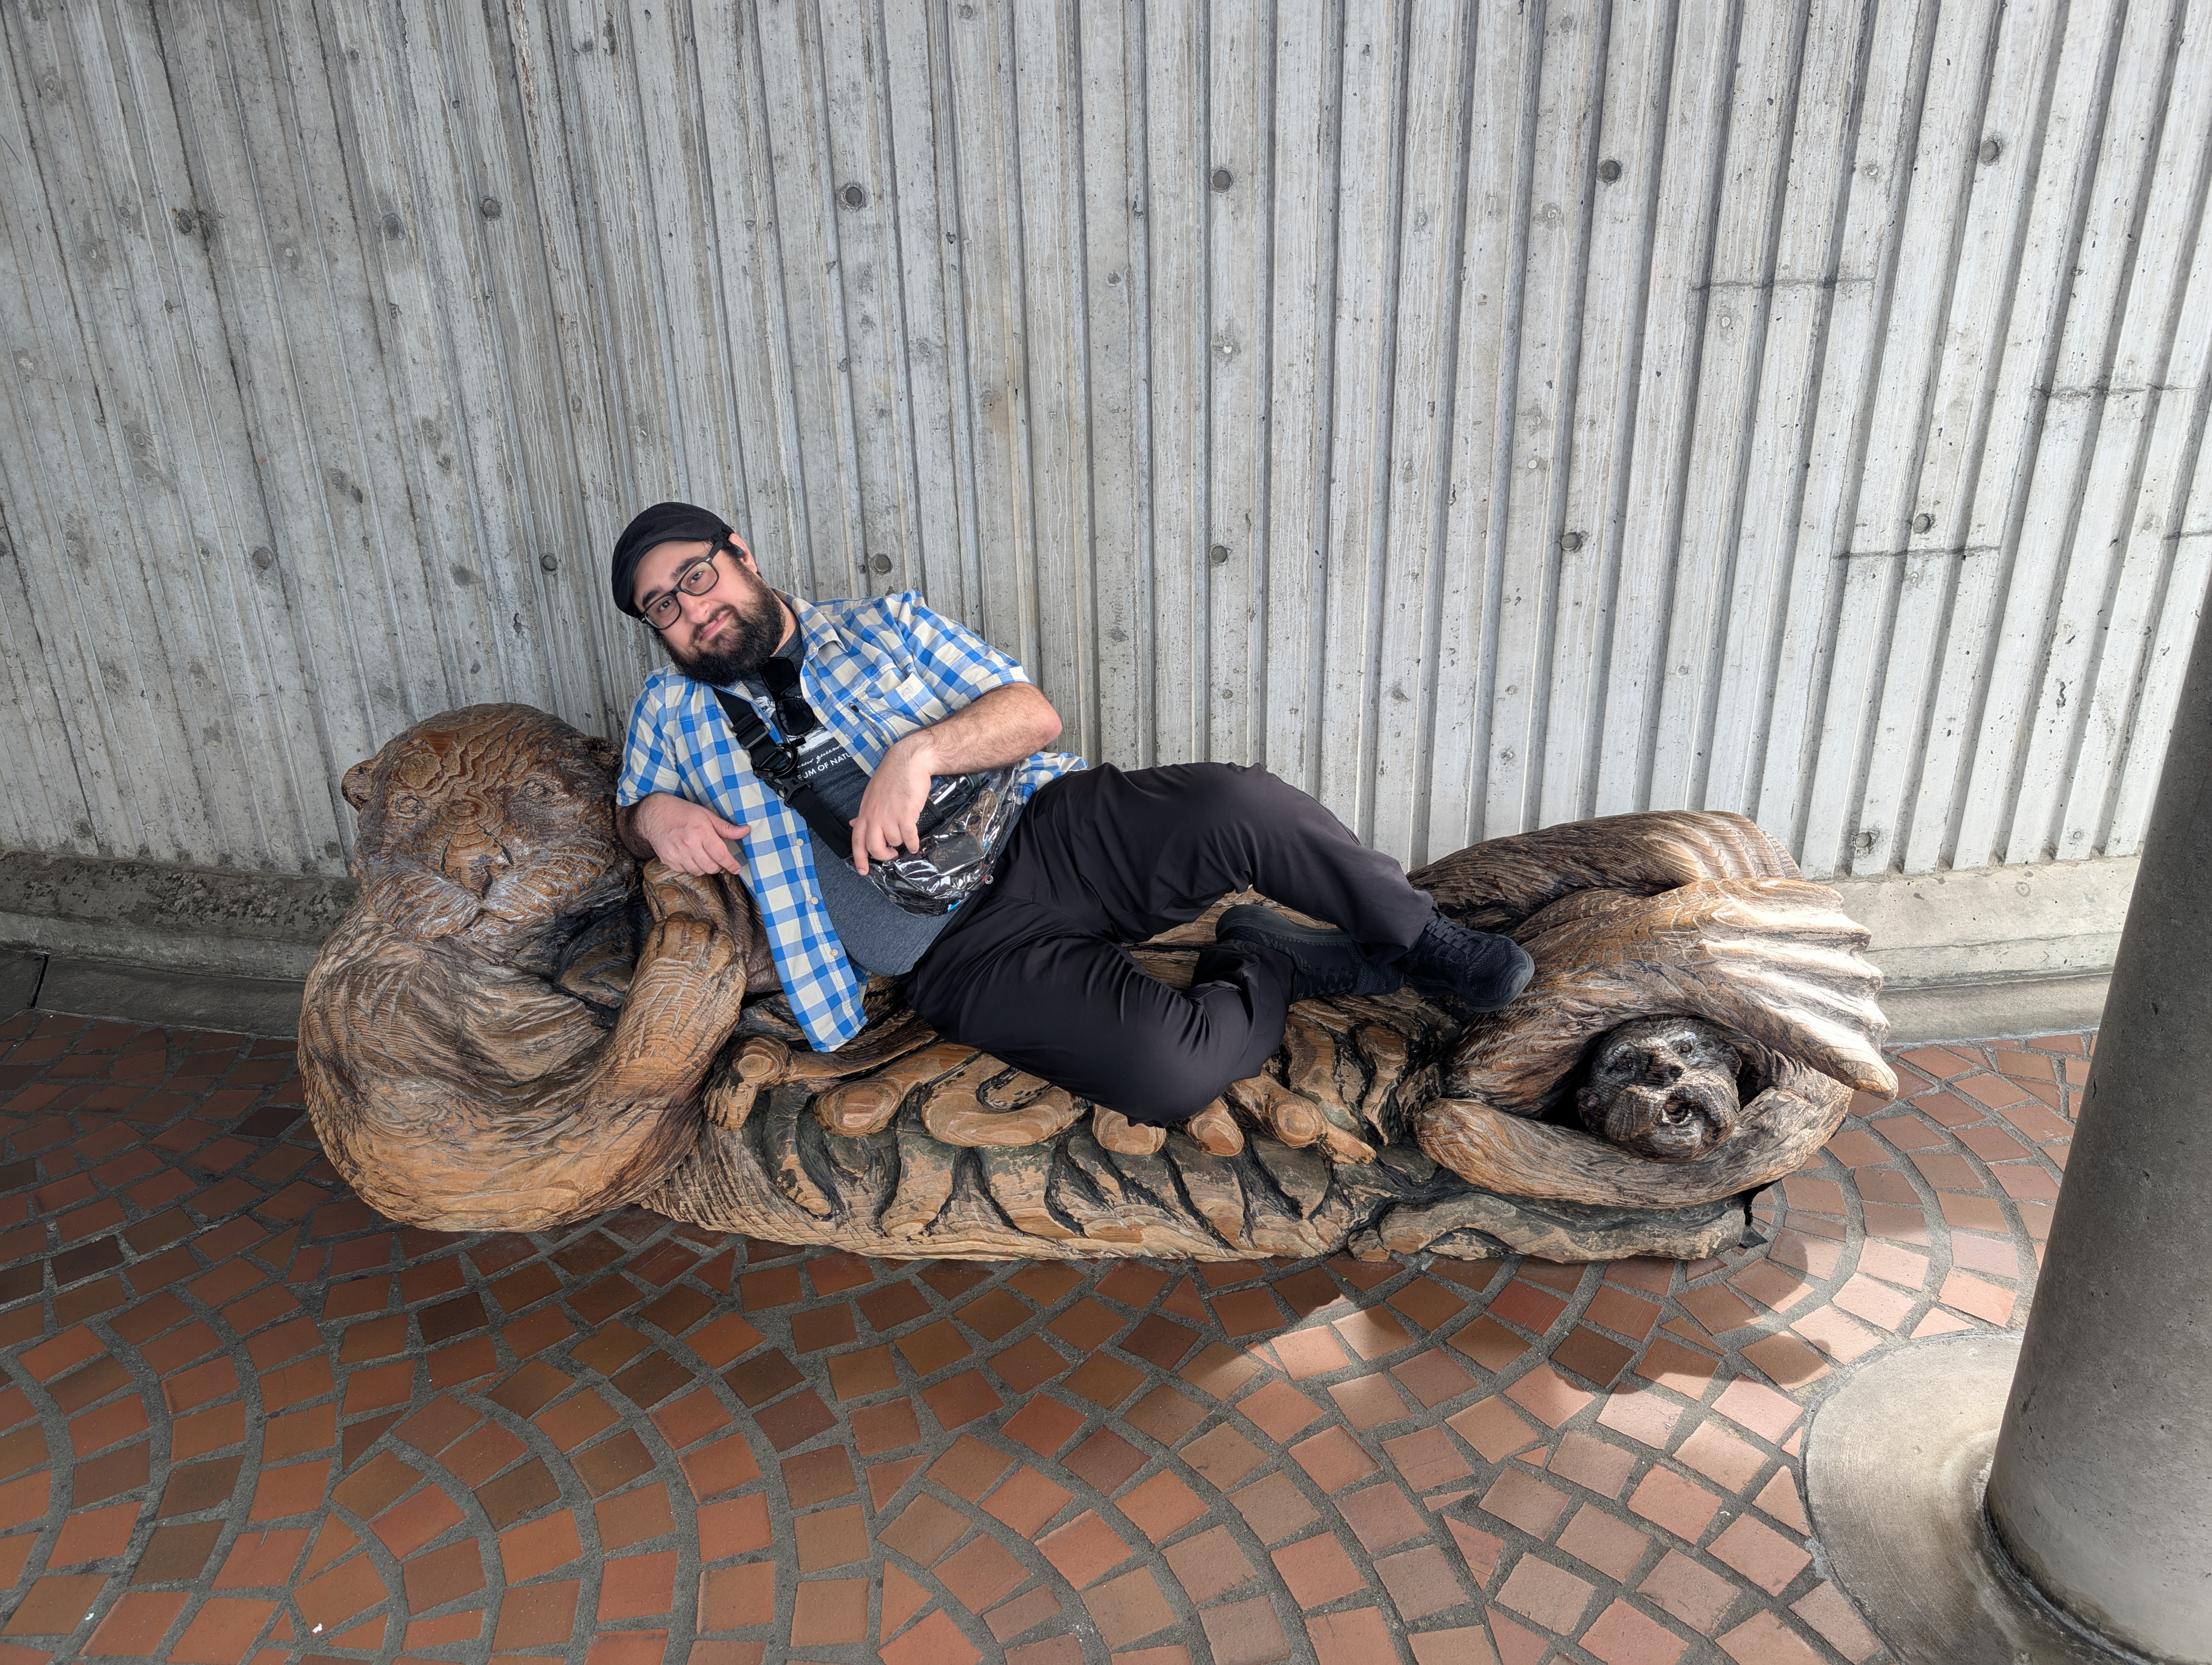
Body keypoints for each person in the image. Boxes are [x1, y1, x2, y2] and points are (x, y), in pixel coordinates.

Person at [608, 500, 1532, 1129]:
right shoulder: (670, 713)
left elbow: (1030, 715)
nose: (693, 612)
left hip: (1051, 832)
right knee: (1172, 1078)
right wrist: (651, 817)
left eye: (697, 578)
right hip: (960, 954)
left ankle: (1423, 940)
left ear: (742, 556)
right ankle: (1264, 961)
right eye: (663, 607)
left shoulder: (883, 624)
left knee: (1239, 803)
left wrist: (917, 752)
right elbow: (622, 812)